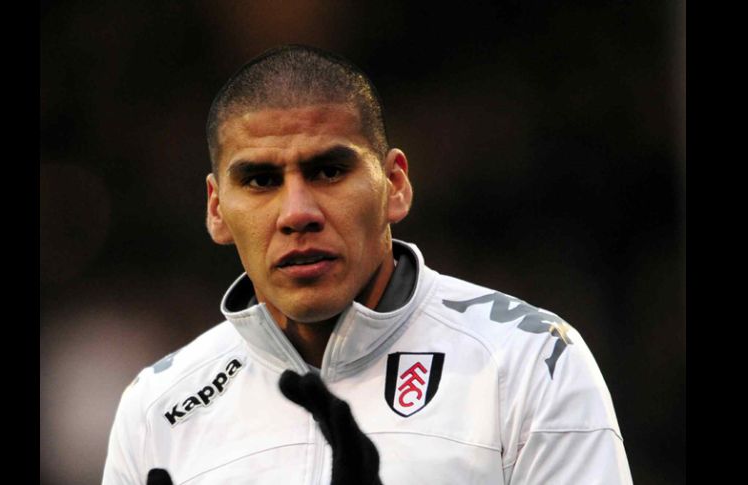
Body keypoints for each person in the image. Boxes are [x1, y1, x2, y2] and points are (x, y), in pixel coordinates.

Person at [102, 44, 633, 484]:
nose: (297, 213)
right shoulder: (158, 408)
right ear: (217, 210)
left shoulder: (529, 360)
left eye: (329, 170)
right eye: (261, 180)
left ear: (395, 185)